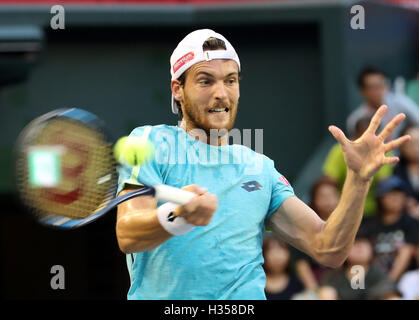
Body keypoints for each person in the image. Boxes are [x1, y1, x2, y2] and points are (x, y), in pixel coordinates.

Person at [115, 29, 411, 300]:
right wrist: (179, 216)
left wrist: (358, 180)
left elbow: (328, 248)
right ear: (177, 89)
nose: (221, 93)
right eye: (206, 80)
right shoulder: (150, 142)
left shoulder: (259, 167)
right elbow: (127, 234)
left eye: (230, 80)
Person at [323, 115, 393, 216]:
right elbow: (329, 180)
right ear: (355, 135)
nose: (368, 141)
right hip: (343, 209)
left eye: (373, 135)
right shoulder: (339, 151)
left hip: (376, 211)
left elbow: (385, 183)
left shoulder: (383, 152)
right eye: (363, 136)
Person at [362, 176, 419, 282]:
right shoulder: (368, 224)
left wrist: (388, 283)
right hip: (371, 278)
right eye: (390, 194)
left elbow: (406, 253)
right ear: (380, 198)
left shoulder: (412, 223)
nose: (395, 198)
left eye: (399, 194)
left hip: (403, 280)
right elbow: (360, 254)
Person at [291, 176, 339, 291]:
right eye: (323, 196)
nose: (328, 200)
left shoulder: (349, 224)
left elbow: (358, 262)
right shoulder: (303, 228)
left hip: (344, 281)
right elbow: (301, 264)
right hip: (317, 283)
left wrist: (355, 289)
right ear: (314, 199)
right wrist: (315, 292)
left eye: (332, 195)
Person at [347, 66, 419, 141]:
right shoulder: (356, 119)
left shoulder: (400, 102)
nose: (378, 91)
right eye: (372, 87)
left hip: (402, 150)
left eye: (380, 85)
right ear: (363, 91)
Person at [320, 230, 395, 300]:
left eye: (363, 243)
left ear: (372, 249)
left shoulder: (380, 274)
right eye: (354, 243)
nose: (359, 247)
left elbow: (389, 294)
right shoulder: (333, 276)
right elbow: (326, 294)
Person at [262, 235, 304, 300]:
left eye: (281, 250)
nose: (277, 257)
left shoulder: (296, 283)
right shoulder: (258, 283)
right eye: (271, 251)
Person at [393, 125, 419, 219]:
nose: (416, 148)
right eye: (411, 144)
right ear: (402, 147)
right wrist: (405, 202)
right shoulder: (396, 170)